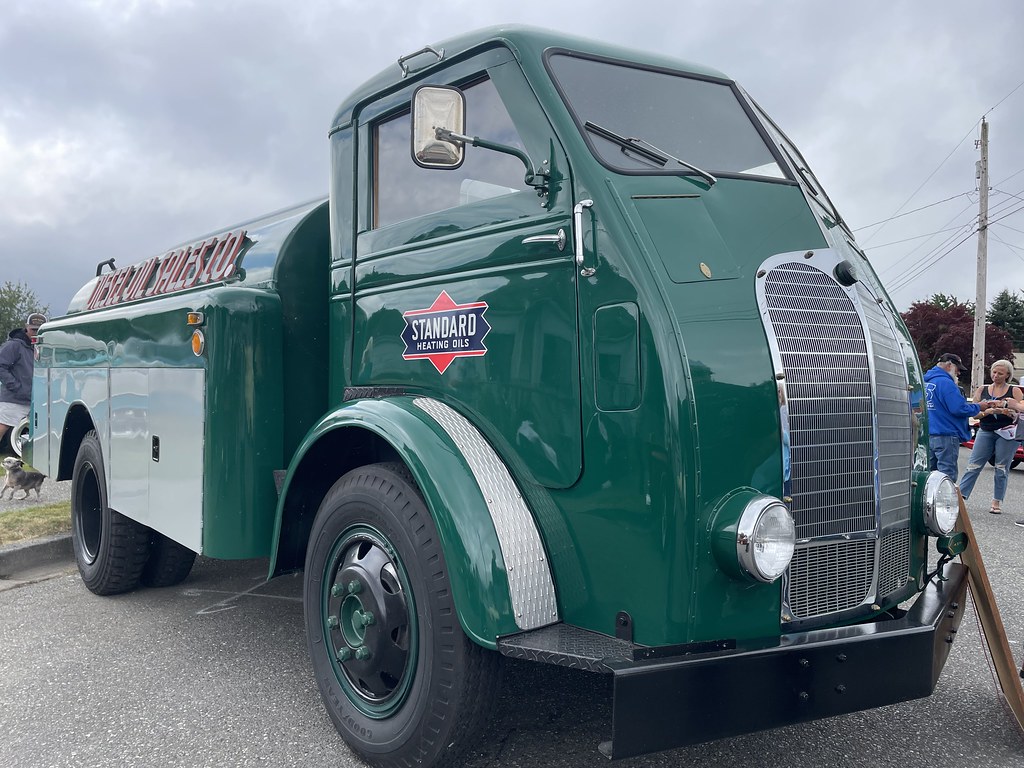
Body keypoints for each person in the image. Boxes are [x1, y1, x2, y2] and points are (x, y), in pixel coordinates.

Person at [958, 359, 1023, 513]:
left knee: (1001, 467)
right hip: (986, 430)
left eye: (1000, 373)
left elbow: (1020, 411)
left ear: (1007, 375)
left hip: (1007, 432)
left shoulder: (1014, 391)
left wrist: (1008, 410)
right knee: (973, 465)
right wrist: (988, 411)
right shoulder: (982, 390)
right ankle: (960, 498)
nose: (996, 376)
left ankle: (997, 502)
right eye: (994, 372)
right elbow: (975, 413)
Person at [924, 352, 996, 483]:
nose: (958, 373)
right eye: (958, 369)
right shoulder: (946, 383)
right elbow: (958, 408)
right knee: (946, 475)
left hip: (929, 433)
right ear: (949, 365)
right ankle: (945, 503)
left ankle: (928, 501)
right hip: (946, 434)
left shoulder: (926, 381)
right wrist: (979, 406)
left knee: (929, 474)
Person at [0, 312, 46, 448]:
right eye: (33, 329)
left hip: (37, 400)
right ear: (26, 327)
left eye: (40, 330)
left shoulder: (45, 348)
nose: (36, 333)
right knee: (2, 428)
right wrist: (16, 387)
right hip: (14, 399)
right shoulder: (14, 346)